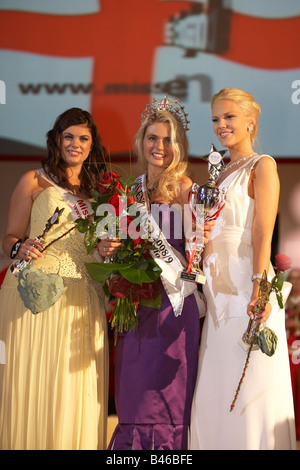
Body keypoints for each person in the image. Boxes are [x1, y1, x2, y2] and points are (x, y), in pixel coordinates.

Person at [99, 97, 213, 450]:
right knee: (133, 388)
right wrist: (108, 249)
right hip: (136, 303)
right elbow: (115, 241)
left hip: (173, 305)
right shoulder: (129, 192)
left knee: (166, 393)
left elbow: (199, 250)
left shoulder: (186, 189)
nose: (158, 147)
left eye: (167, 140)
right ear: (141, 141)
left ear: (176, 146)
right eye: (152, 138)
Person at [190, 88, 296, 450]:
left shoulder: (262, 165)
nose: (221, 125)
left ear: (251, 121)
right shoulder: (218, 173)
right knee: (215, 382)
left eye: (229, 117)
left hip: (246, 283)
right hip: (215, 290)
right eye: (216, 119)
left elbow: (263, 231)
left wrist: (259, 287)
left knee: (249, 381)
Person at [0, 108, 109, 450]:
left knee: (73, 388)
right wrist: (20, 246)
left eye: (83, 139)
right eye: (68, 137)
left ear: (92, 146)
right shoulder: (33, 180)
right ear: (57, 140)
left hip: (82, 299)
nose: (75, 144)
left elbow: (99, 249)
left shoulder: (99, 194)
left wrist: (108, 250)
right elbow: (8, 239)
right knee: (35, 382)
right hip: (37, 296)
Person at [285, 267, 300, 442]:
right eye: (293, 279)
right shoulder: (285, 301)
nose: (295, 283)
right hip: (289, 350)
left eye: (298, 279)